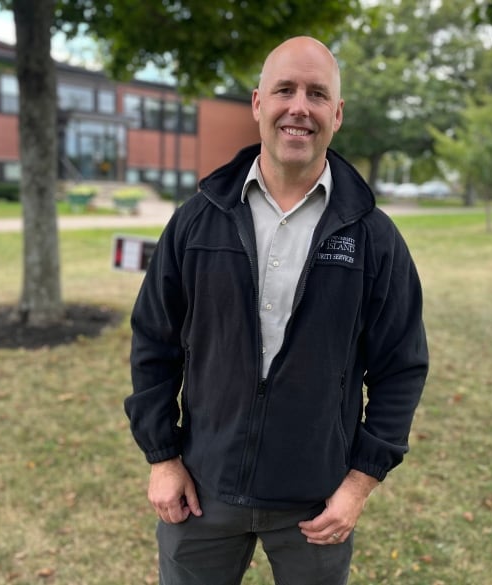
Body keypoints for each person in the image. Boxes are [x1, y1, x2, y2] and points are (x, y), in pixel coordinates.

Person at [124, 36, 428, 585]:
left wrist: (359, 485)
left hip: (316, 503)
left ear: (336, 114)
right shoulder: (198, 222)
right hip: (202, 491)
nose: (299, 107)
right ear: (258, 103)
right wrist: (162, 457)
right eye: (284, 89)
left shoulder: (373, 239)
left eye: (317, 94)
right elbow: (153, 340)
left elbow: (401, 368)